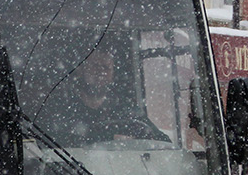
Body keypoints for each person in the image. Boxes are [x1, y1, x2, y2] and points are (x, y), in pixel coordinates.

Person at [33, 48, 168, 144]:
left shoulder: (125, 109)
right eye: (95, 66)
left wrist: (140, 140)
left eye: (106, 68)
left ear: (113, 74)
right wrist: (105, 137)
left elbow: (163, 142)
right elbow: (49, 142)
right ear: (80, 70)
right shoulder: (61, 107)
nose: (101, 73)